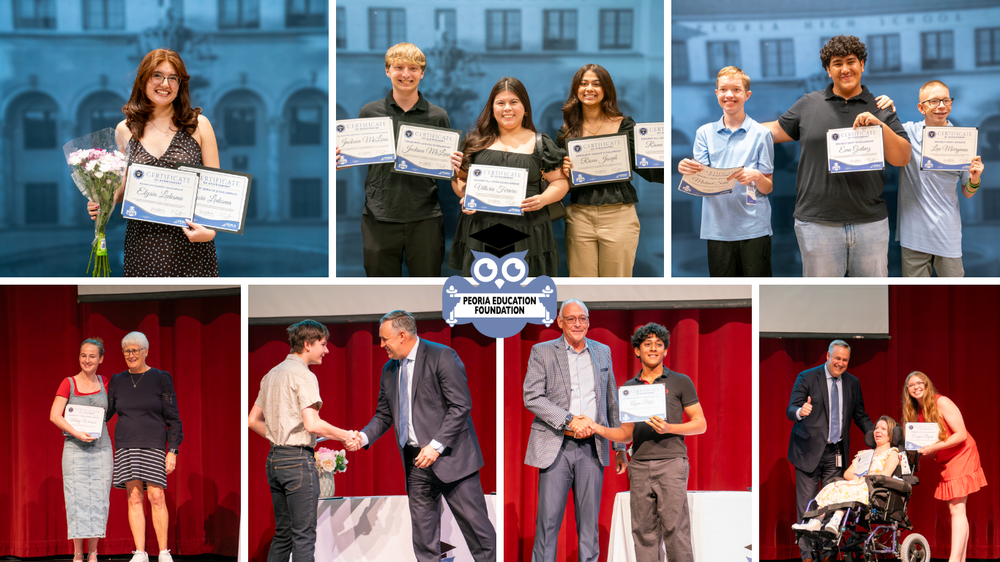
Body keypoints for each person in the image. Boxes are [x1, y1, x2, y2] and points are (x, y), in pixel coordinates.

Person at [763, 35, 911, 277]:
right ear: (828, 70)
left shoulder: (881, 107)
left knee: (871, 297)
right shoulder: (808, 103)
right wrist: (734, 125)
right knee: (823, 297)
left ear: (862, 64)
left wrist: (879, 126)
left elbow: (902, 158)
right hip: (817, 224)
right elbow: (772, 132)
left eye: (851, 62)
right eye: (837, 63)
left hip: (870, 223)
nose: (845, 69)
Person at [354, 311, 496, 562]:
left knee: (479, 535)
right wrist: (363, 438)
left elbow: (460, 406)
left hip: (452, 459)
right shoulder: (389, 370)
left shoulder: (441, 356)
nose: (381, 345)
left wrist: (436, 446)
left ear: (402, 335)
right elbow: (384, 415)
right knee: (424, 540)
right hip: (416, 464)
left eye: (385, 339)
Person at [87, 48, 220, 277]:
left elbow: (214, 188)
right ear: (143, 80)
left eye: (173, 78)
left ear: (180, 85)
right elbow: (120, 188)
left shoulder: (200, 125)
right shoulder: (124, 129)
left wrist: (210, 232)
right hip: (142, 244)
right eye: (157, 75)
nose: (165, 84)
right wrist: (102, 199)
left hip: (192, 243)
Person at [581, 323, 705, 562]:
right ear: (637, 351)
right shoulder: (630, 388)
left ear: (665, 350)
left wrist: (670, 428)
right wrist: (596, 428)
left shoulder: (680, 381)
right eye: (647, 344)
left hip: (671, 463)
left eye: (659, 344)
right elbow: (626, 434)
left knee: (676, 530)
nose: (653, 348)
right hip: (639, 466)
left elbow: (700, 424)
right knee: (643, 533)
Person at [335, 42, 461, 277]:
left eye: (413, 68)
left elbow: (447, 167)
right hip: (378, 216)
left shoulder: (438, 116)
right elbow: (355, 154)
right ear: (387, 71)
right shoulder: (369, 112)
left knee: (426, 287)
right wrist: (339, 161)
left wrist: (454, 164)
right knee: (380, 288)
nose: (406, 74)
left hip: (426, 218)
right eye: (399, 67)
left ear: (422, 73)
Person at [522, 299, 626, 562]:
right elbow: (532, 397)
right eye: (571, 319)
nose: (578, 324)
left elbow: (611, 400)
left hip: (592, 447)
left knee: (589, 527)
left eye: (583, 318)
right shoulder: (542, 351)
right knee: (547, 524)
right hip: (556, 446)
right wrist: (569, 420)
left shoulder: (602, 351)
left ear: (589, 322)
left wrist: (619, 447)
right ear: (560, 322)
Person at [247, 320, 360, 562]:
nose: (326, 350)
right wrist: (346, 435)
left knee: (283, 534)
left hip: (274, 461)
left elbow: (252, 421)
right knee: (303, 536)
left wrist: (281, 436)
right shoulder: (304, 375)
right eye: (323, 344)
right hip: (297, 463)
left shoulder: (271, 374)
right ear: (307, 344)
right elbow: (312, 424)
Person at [448, 77, 568, 277]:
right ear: (492, 108)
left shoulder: (541, 143)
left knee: (527, 288)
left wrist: (543, 199)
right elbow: (460, 178)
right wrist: (465, 196)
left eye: (514, 102)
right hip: (481, 227)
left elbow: (560, 181)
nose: (507, 109)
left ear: (525, 108)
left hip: (529, 229)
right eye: (500, 103)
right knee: (483, 288)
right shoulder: (475, 142)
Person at [557, 64, 665, 277]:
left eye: (596, 84)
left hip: (619, 216)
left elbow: (647, 169)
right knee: (582, 286)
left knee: (616, 285)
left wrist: (665, 158)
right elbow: (557, 181)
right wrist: (563, 170)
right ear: (576, 90)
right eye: (583, 83)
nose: (589, 88)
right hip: (579, 216)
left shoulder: (625, 126)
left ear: (606, 90)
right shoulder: (566, 132)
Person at [677, 66, 774, 277]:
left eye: (736, 89)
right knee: (725, 289)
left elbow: (767, 187)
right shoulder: (703, 133)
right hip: (717, 229)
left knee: (756, 286)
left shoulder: (762, 134)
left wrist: (757, 176)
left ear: (747, 95)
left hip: (754, 228)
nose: (729, 95)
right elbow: (699, 180)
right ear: (716, 93)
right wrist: (685, 168)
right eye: (723, 89)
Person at [785, 340, 875, 562]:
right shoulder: (807, 377)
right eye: (837, 358)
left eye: (845, 360)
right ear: (828, 356)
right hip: (807, 452)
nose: (840, 363)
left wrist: (878, 435)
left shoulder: (852, 383)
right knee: (808, 506)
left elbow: (860, 416)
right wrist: (800, 411)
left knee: (832, 504)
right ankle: (808, 556)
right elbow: (791, 408)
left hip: (836, 453)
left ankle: (827, 555)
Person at [106, 332, 183, 562]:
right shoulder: (118, 380)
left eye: (135, 350)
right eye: (126, 351)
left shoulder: (161, 378)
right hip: (126, 444)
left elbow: (173, 417)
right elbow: (106, 413)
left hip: (154, 445)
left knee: (157, 496)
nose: (130, 355)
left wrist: (173, 449)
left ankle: (163, 552)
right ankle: (140, 552)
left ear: (146, 352)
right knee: (134, 497)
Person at [896, 81, 986, 277]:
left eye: (946, 100)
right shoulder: (907, 133)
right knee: (915, 294)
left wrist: (975, 179)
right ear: (921, 108)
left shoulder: (963, 141)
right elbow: (881, 133)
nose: (942, 106)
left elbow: (968, 192)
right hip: (914, 234)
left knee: (952, 292)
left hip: (948, 233)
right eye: (934, 101)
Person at [901, 371, 986, 562]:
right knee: (958, 509)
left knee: (956, 508)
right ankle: (960, 559)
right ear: (907, 390)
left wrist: (933, 448)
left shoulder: (942, 402)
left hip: (962, 453)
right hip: (945, 459)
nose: (916, 387)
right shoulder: (917, 411)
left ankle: (954, 559)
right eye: (911, 385)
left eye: (919, 383)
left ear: (927, 384)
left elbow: (961, 434)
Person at [49, 338, 114, 562]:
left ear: (100, 359)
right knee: (76, 498)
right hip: (75, 449)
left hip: (101, 448)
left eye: (92, 356)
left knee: (99, 497)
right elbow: (54, 415)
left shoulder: (106, 383)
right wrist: (77, 433)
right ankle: (78, 552)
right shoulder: (68, 383)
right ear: (79, 357)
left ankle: (93, 552)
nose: (87, 360)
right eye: (83, 355)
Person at [792, 416, 900, 536]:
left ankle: (835, 520)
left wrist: (866, 479)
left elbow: (886, 473)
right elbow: (847, 473)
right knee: (832, 485)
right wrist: (857, 479)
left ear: (891, 434)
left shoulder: (892, 453)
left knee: (850, 489)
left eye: (883, 429)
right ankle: (816, 521)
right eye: (876, 428)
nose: (878, 431)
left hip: (873, 489)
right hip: (858, 483)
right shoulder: (864, 454)